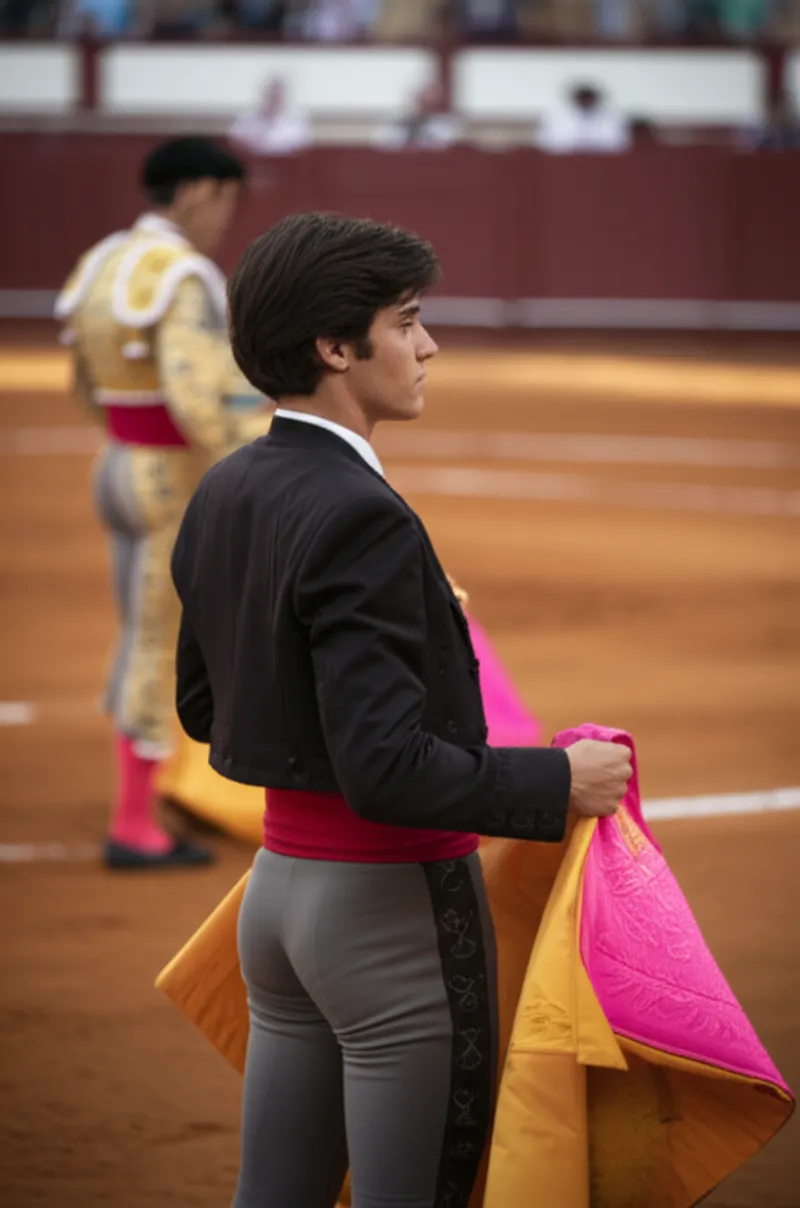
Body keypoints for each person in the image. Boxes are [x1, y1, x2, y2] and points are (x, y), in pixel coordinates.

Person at [170, 212, 632, 1208]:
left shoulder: (226, 486)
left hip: (276, 902)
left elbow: (206, 708)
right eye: (407, 321)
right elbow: (385, 769)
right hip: (389, 911)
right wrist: (558, 780)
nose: (428, 346)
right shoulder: (362, 514)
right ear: (336, 348)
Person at [55, 136, 270, 872]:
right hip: (170, 477)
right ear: (199, 191)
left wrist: (128, 440)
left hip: (117, 462)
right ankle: (133, 825)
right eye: (227, 199)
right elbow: (196, 396)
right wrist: (258, 458)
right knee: (158, 640)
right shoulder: (182, 276)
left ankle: (149, 792)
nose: (227, 217)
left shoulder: (103, 262)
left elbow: (85, 382)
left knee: (138, 634)